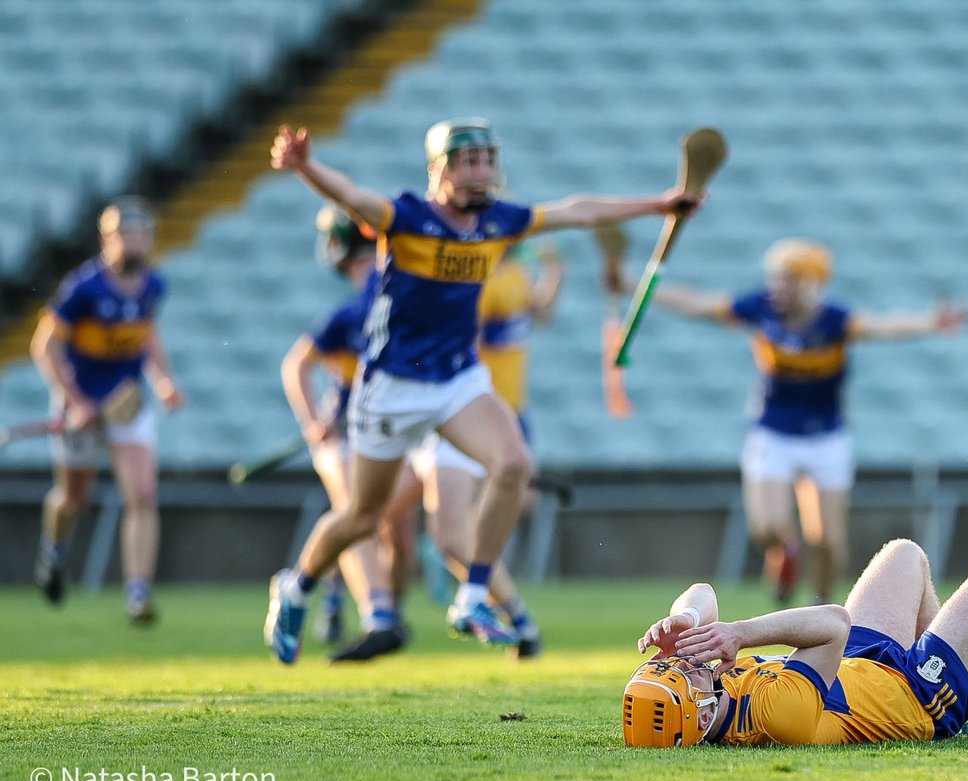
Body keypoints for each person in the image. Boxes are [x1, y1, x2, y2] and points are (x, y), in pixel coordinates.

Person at [264, 117, 700, 664]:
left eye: (487, 161)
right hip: (394, 385)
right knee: (362, 517)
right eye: (467, 163)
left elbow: (575, 210)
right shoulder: (408, 216)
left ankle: (471, 596)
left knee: (513, 462)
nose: (480, 173)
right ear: (437, 171)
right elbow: (352, 196)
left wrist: (658, 204)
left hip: (458, 378)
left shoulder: (499, 222)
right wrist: (306, 168)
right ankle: (297, 587)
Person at [605, 237, 967, 605]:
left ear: (813, 283)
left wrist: (928, 322)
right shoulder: (760, 310)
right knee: (766, 529)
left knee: (827, 539)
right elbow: (697, 304)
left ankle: (823, 604)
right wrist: (636, 285)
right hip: (773, 431)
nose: (778, 286)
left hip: (826, 435)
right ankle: (786, 555)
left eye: (789, 279)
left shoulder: (834, 321)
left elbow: (883, 327)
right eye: (776, 278)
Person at [624, 537, 968, 747]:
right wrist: (738, 633)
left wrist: (685, 617)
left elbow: (702, 594)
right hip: (912, 694)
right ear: (698, 706)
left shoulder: (706, 696)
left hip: (854, 667)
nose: (683, 662)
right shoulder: (776, 715)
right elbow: (832, 622)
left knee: (904, 554)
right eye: (680, 673)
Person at [393, 240, 567, 656]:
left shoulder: (513, 275)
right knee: (444, 533)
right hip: (466, 412)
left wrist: (556, 272)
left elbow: (540, 312)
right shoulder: (482, 282)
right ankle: (518, 621)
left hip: (505, 412)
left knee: (508, 509)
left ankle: (471, 589)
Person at [29, 196, 185, 624]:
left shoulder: (154, 284)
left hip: (126, 403)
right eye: (125, 236)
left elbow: (147, 335)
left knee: (142, 495)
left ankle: (138, 593)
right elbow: (44, 347)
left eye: (140, 235)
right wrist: (77, 402)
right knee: (74, 499)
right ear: (106, 240)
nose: (134, 243)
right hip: (80, 403)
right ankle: (54, 552)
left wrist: (164, 379)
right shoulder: (83, 288)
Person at [279, 206, 410, 661]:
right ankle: (378, 615)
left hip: (384, 429)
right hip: (344, 435)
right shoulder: (351, 313)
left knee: (386, 524)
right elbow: (295, 365)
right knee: (359, 513)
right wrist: (313, 421)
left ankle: (350, 594)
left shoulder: (384, 298)